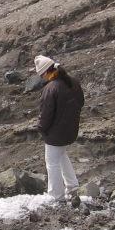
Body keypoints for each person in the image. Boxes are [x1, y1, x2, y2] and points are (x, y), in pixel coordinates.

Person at [35, 55, 84, 201]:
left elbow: (46, 114)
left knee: (52, 162)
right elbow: (81, 102)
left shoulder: (51, 88)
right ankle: (72, 186)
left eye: (42, 75)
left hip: (55, 133)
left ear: (46, 72)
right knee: (61, 155)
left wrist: (41, 128)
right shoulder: (72, 82)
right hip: (71, 129)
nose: (42, 78)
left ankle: (56, 195)